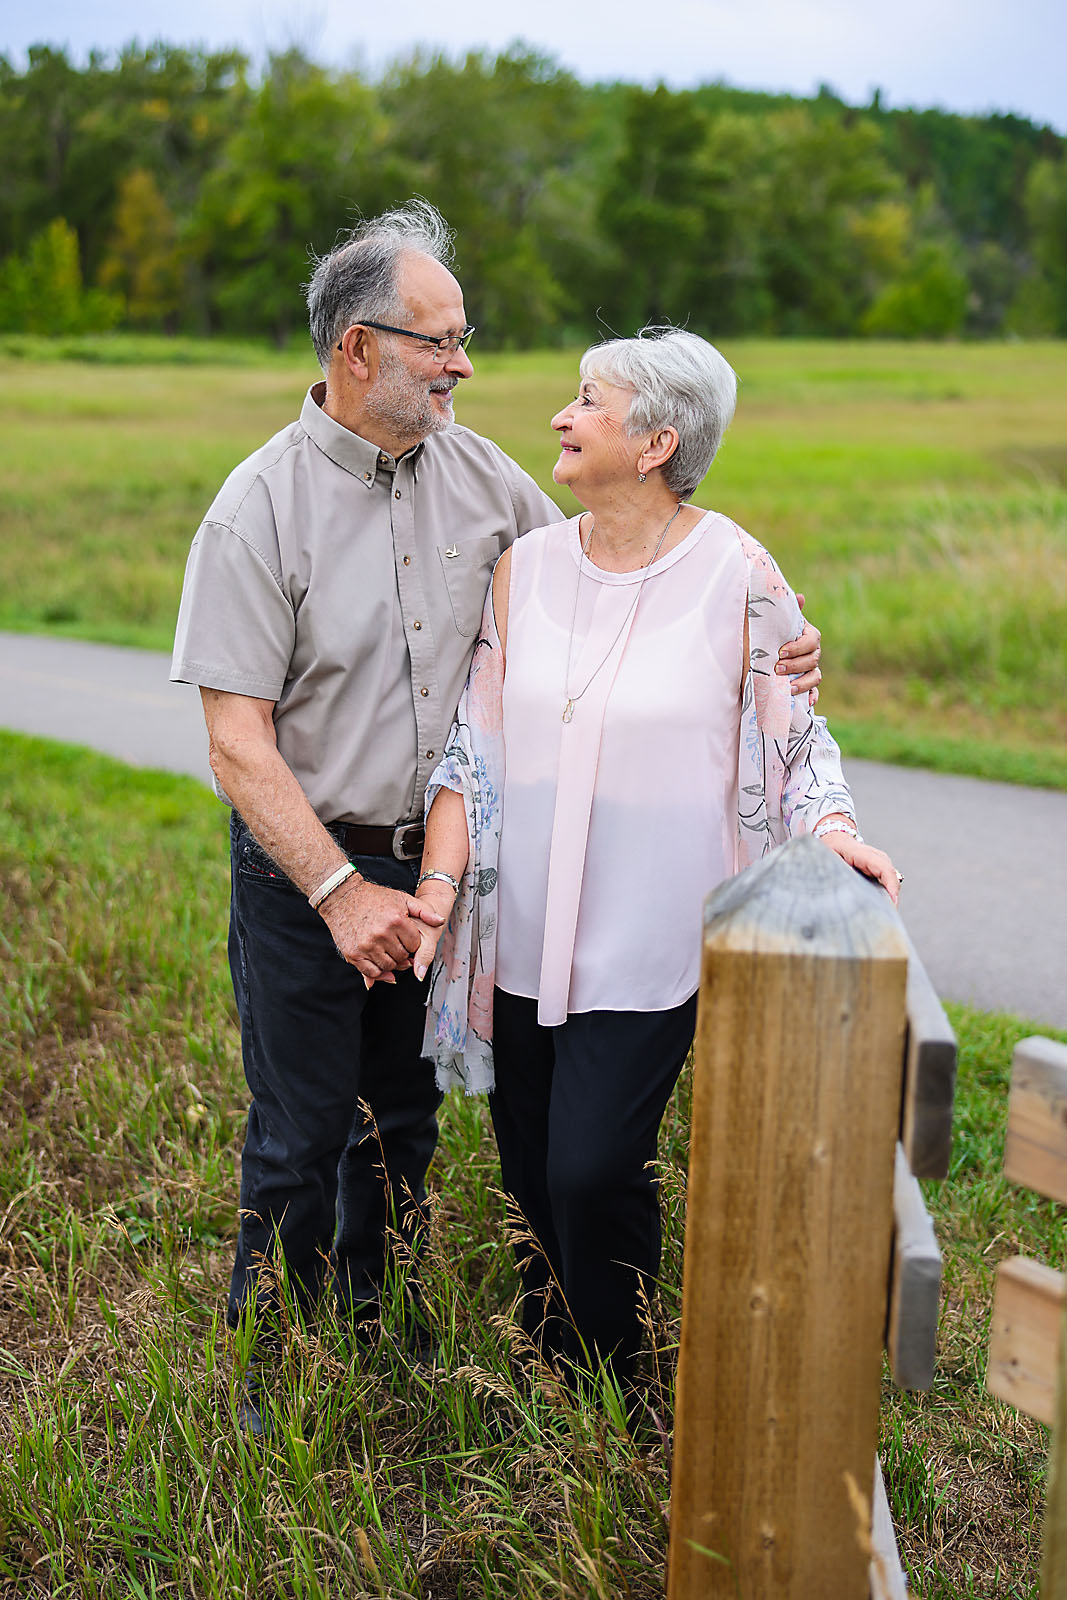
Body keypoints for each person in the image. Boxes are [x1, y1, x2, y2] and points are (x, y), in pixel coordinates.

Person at [170, 204, 823, 1418]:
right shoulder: (255, 510)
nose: (464, 364)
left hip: (446, 875)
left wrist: (769, 642)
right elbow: (235, 743)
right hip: (306, 871)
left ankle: (379, 1321)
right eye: (440, 340)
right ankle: (268, 1369)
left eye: (464, 337)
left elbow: (622, 558)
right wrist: (337, 889)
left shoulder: (487, 481)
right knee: (301, 1128)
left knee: (400, 1123)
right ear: (357, 348)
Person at [410, 327, 899, 1402]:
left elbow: (793, 738)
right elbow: (472, 749)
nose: (560, 415)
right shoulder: (522, 570)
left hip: (649, 941)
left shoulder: (738, 573)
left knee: (591, 1170)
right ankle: (557, 1379)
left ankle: (625, 1379)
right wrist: (438, 892)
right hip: (524, 933)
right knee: (534, 1177)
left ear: (653, 441)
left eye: (587, 400)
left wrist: (830, 835)